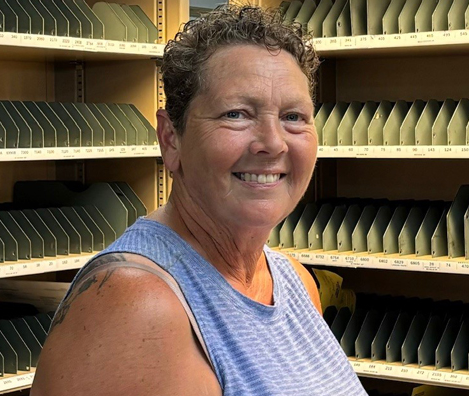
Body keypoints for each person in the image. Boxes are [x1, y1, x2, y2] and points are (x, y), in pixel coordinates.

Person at [31, 5, 367, 395]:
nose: (273, 143)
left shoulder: (293, 281)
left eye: (293, 116)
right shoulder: (139, 307)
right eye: (237, 114)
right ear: (171, 139)